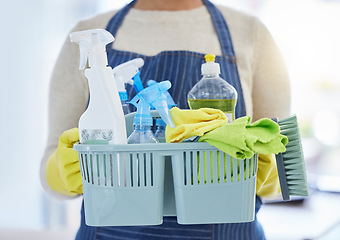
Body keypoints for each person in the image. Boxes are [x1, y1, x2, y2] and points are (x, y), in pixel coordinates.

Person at [40, 0, 291, 239]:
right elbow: (49, 176)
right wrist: (65, 170)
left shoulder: (252, 34)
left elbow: (287, 167)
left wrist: (267, 171)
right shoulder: (88, 36)